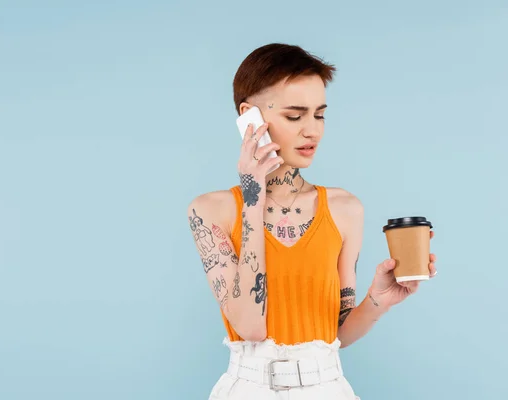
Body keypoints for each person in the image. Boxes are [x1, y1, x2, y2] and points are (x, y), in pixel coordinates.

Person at [187, 43, 437, 400]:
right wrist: (252, 194)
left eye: (319, 115)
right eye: (294, 116)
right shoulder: (211, 211)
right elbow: (251, 327)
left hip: (327, 388)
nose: (312, 131)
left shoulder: (344, 208)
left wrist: (379, 299)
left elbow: (336, 333)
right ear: (249, 117)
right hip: (248, 388)